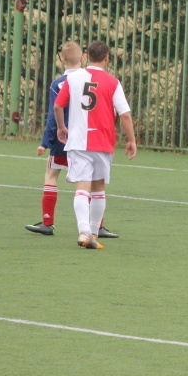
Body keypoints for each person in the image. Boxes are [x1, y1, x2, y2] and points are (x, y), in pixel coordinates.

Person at [25, 41, 117, 239]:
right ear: (82, 58)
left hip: (64, 138)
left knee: (51, 175)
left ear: (61, 59)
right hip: (89, 138)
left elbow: (54, 113)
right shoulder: (93, 79)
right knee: (94, 182)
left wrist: (45, 142)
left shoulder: (59, 83)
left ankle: (47, 222)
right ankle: (97, 227)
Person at [54, 40, 137, 250]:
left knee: (82, 188)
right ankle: (92, 232)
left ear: (86, 56)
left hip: (78, 141)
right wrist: (131, 140)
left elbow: (57, 105)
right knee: (99, 189)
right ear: (107, 58)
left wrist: (62, 127)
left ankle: (84, 232)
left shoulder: (72, 79)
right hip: (102, 142)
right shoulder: (112, 82)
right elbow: (125, 115)